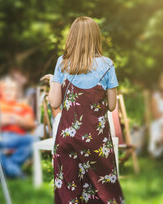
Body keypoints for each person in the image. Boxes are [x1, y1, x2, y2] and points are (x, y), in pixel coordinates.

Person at [42, 16, 124, 203]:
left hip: (68, 137)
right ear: (96, 37)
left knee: (68, 190)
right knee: (103, 189)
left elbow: (54, 103)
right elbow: (112, 105)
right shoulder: (107, 65)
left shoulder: (62, 62)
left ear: (72, 37)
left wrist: (54, 84)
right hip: (96, 140)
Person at [0, 75, 39, 179]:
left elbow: (30, 124)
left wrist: (12, 118)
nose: (8, 92)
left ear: (16, 91)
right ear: (0, 90)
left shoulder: (23, 106)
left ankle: (5, 171)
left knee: (34, 139)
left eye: (11, 89)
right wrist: (15, 119)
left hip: (18, 137)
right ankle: (14, 171)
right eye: (5, 89)